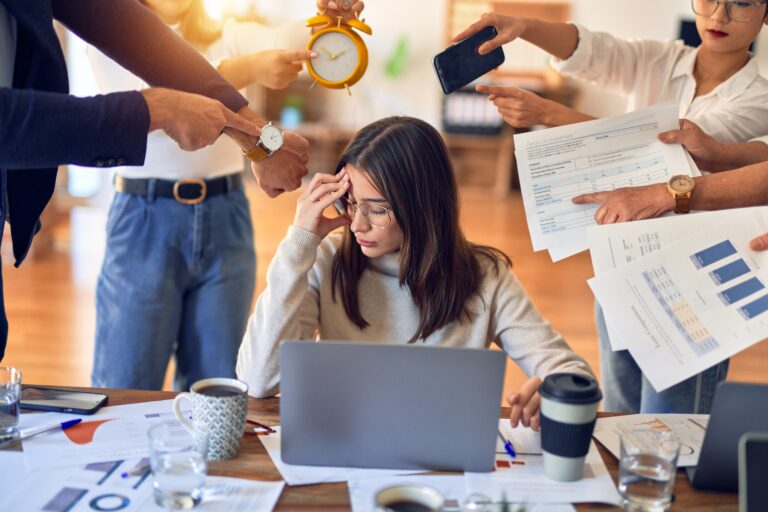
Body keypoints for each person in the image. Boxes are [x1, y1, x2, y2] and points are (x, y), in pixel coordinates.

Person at [454, 0, 768, 414]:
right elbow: (592, 49)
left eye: (742, 3)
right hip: (621, 262)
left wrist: (548, 113)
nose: (720, 16)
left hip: (696, 281)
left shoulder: (761, 96)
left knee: (670, 421)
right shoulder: (662, 58)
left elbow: (667, 157)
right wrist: (522, 25)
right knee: (619, 414)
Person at [236, 116, 595, 430]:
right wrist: (299, 242)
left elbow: (573, 374)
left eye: (376, 209)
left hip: (445, 467)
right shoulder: (326, 258)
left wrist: (556, 389)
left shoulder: (486, 275)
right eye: (350, 203)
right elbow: (257, 381)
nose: (356, 224)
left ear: (422, 206)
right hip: (344, 447)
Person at [0, 0, 311, 362]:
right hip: (144, 216)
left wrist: (261, 140)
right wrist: (160, 108)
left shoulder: (220, 29)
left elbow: (123, 24)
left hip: (226, 215)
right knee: (127, 373)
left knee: (219, 376)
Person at [87, 0, 362, 390]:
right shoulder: (107, 29)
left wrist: (332, 17)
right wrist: (247, 68)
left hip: (226, 215)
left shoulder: (226, 34)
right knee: (125, 383)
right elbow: (148, 104)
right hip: (144, 221)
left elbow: (290, 39)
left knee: (221, 384)